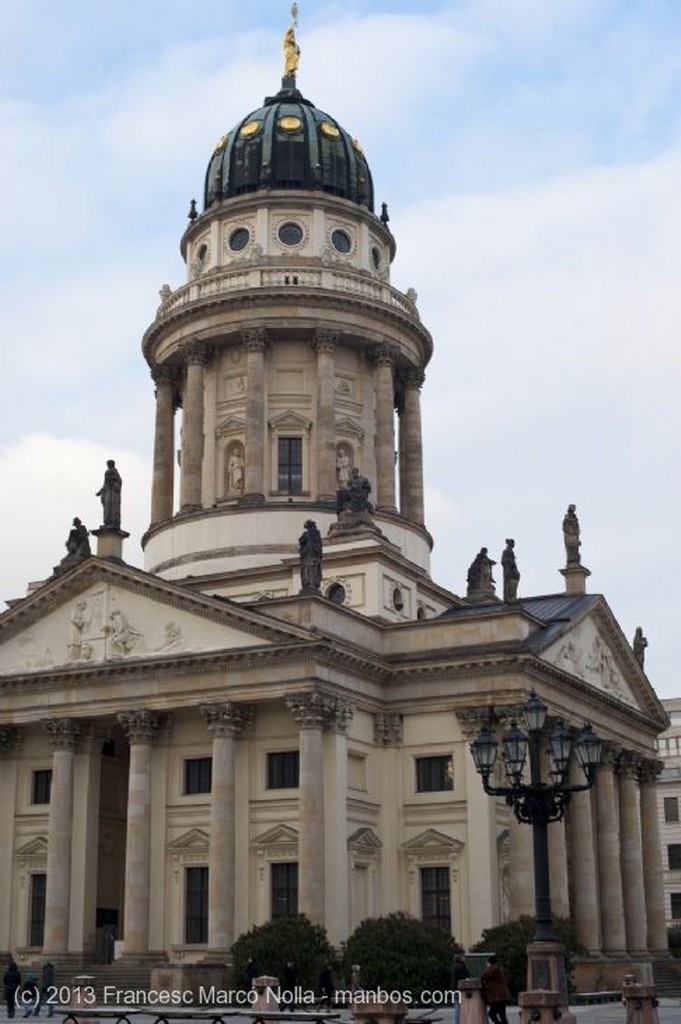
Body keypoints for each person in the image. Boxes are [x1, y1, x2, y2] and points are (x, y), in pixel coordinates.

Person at [480, 955, 510, 1024]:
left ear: (490, 962)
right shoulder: (497, 968)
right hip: (501, 996)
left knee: (492, 1014)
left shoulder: (494, 968)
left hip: (498, 997)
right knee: (502, 1015)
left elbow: (485, 976)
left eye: (487, 963)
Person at [96, 460, 122, 528]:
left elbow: (119, 481)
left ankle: (114, 523)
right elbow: (105, 484)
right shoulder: (107, 472)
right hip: (107, 492)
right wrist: (100, 491)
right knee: (107, 507)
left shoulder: (115, 472)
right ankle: (107, 523)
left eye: (109, 464)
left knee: (114, 507)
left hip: (113, 492)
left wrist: (115, 485)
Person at [451, 953, 470, 1024]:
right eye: (464, 957)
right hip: (461, 989)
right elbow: (466, 976)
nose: (465, 958)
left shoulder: (455, 966)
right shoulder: (461, 967)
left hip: (456, 989)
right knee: (459, 1008)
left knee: (457, 1007)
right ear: (460, 958)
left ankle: (457, 1022)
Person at [501, 539, 520, 603]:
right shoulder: (506, 551)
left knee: (514, 583)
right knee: (510, 584)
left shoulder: (511, 551)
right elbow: (503, 561)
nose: (513, 545)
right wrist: (510, 562)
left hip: (513, 569)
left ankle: (512, 597)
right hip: (509, 570)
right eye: (512, 543)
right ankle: (509, 598)